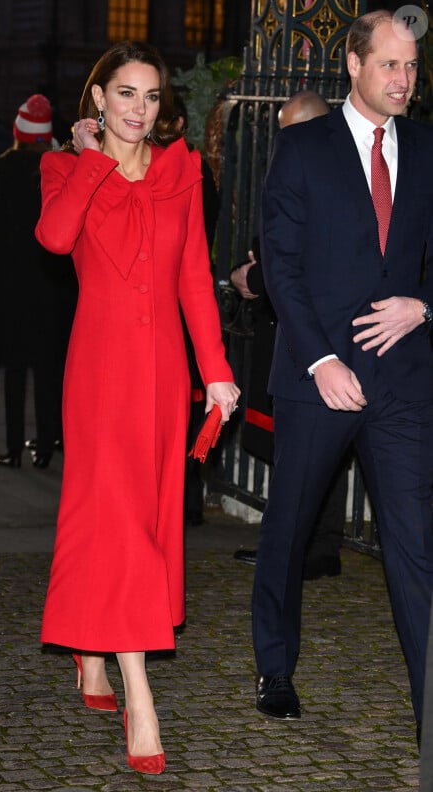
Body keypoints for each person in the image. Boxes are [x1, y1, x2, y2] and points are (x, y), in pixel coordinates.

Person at [34, 41, 240, 774]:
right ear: (98, 99)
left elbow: (193, 279)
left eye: (151, 97)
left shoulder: (181, 171)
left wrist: (215, 374)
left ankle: (90, 653)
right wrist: (92, 160)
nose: (138, 110)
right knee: (116, 519)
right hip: (98, 375)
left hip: (162, 378)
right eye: (125, 94)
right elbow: (55, 238)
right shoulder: (64, 169)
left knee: (135, 520)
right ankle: (140, 697)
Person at [252, 11, 433, 747]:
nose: (404, 79)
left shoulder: (426, 149)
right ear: (354, 64)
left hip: (402, 387)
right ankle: (275, 666)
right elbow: (280, 265)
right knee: (290, 530)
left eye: (413, 66)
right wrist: (321, 361)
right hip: (317, 380)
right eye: (390, 64)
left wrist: (424, 305)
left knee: (415, 546)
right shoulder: (301, 149)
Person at [231, 91, 347, 580]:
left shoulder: (336, 174)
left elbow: (303, 262)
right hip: (296, 330)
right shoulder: (307, 164)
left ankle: (305, 551)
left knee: (317, 452)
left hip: (322, 337)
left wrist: (251, 279)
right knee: (306, 451)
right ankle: (306, 549)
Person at [0, 94, 78, 470]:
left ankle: (11, 447)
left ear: (18, 131)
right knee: (49, 370)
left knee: (15, 372)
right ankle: (45, 447)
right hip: (52, 287)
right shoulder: (58, 170)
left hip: (10, 288)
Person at [171, 91, 221, 526]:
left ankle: (188, 496)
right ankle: (185, 497)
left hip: (185, 300)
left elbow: (199, 245)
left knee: (192, 405)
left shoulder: (195, 170)